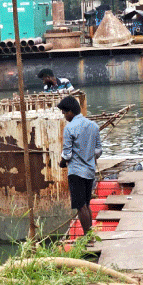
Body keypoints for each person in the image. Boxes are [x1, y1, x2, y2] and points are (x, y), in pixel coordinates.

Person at [57, 95, 101, 236]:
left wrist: (62, 163)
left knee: (80, 207)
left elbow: (67, 154)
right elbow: (98, 151)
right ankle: (90, 236)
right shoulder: (94, 126)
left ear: (70, 111)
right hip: (89, 171)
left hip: (76, 172)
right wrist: (88, 158)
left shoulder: (70, 128)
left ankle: (89, 237)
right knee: (86, 205)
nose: (64, 116)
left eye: (64, 113)